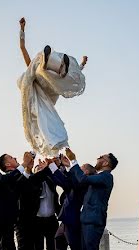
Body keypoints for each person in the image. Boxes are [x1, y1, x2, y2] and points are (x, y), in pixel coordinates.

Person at [17, 17, 88, 156]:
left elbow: (68, 81)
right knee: (39, 69)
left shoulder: (37, 74)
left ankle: (55, 66)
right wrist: (22, 29)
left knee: (42, 70)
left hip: (50, 86)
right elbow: (22, 48)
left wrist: (22, 29)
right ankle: (51, 65)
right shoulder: (32, 81)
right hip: (46, 93)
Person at [63, 147, 117, 250]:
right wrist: (70, 166)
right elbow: (81, 180)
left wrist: (74, 161)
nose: (98, 158)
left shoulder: (106, 176)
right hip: (87, 218)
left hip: (94, 219)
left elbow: (84, 178)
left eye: (101, 156)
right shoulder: (99, 177)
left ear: (106, 162)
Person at [50, 159, 95, 250]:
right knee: (58, 242)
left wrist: (53, 166)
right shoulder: (77, 180)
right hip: (65, 219)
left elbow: (65, 182)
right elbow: (65, 179)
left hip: (73, 220)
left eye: (82, 168)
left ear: (86, 172)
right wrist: (58, 166)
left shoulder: (82, 183)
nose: (79, 169)